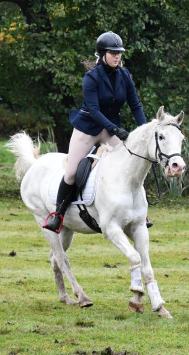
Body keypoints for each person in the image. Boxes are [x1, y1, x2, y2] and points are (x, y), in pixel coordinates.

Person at [42, 31, 148, 233]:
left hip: (110, 129)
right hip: (88, 128)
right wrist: (115, 129)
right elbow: (94, 109)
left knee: (132, 163)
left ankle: (140, 213)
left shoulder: (124, 76)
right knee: (72, 172)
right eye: (113, 53)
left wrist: (143, 130)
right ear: (102, 54)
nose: (117, 56)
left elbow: (135, 105)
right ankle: (58, 214)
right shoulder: (91, 77)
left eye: (119, 53)